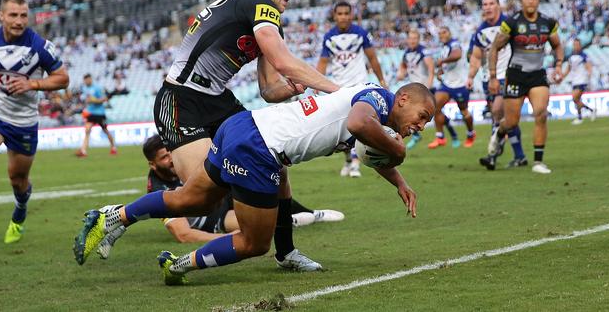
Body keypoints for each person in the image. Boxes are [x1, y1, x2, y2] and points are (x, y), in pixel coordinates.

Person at [105, 0, 340, 271]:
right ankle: (116, 216)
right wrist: (341, 93)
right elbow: (285, 62)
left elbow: (269, 90)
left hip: (217, 99)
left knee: (276, 166)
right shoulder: (259, 3)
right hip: (181, 99)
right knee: (200, 196)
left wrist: (291, 88)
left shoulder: (266, 15)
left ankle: (286, 253)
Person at [73, 82, 434, 286]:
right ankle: (179, 265)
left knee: (192, 200)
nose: (421, 126)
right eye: (422, 116)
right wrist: (398, 154)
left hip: (244, 127)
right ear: (402, 99)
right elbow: (358, 125)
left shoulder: (380, 118)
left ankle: (114, 216)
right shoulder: (375, 98)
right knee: (252, 243)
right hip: (259, 148)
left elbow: (369, 144)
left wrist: (397, 179)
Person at [96, 135, 344, 258]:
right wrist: (227, 239)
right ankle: (299, 219)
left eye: (170, 153)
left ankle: (311, 214)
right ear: (152, 164)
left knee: (270, 183)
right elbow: (183, 234)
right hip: (216, 220)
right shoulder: (157, 188)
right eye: (163, 158)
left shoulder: (184, 162)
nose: (171, 160)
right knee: (258, 228)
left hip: (220, 203)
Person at [0, 0, 69, 243]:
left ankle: (20, 211)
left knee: (18, 180)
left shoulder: (40, 47)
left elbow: (62, 78)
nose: (18, 20)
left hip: (24, 122)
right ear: (1, 16)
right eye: (13, 15)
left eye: (23, 15)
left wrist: (32, 83)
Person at [483, 0, 564, 174]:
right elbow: (494, 48)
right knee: (511, 121)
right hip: (516, 75)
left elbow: (557, 45)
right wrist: (493, 77)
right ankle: (499, 132)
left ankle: (538, 162)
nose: (531, 1)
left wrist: (559, 64)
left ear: (538, 1)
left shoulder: (548, 22)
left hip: (537, 74)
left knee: (541, 114)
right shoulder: (512, 23)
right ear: (522, 1)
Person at [316, 1, 388, 177]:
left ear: (351, 15)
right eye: (339, 13)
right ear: (334, 15)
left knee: (357, 126)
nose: (343, 17)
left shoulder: (361, 33)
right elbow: (323, 63)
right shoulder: (329, 37)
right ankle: (349, 160)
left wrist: (382, 80)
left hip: (359, 86)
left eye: (346, 13)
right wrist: (316, 85)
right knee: (342, 129)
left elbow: (372, 58)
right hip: (338, 88)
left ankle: (355, 162)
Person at [467, 0, 527, 169]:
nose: (487, 7)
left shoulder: (510, 24)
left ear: (498, 5)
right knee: (506, 118)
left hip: (508, 76)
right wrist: (470, 76)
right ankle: (520, 156)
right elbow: (476, 57)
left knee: (497, 112)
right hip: (488, 79)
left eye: (491, 3)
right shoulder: (480, 31)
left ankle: (492, 155)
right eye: (484, 4)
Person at [428, 26, 476, 149]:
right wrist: (440, 72)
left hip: (460, 85)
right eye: (439, 33)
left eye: (444, 32)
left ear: (449, 33)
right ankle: (440, 137)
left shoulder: (454, 44)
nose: (441, 35)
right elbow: (445, 66)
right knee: (435, 107)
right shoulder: (444, 48)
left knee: (464, 111)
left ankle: (471, 133)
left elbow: (457, 55)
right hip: (446, 85)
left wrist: (442, 61)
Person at [75, 74, 117, 157]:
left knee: (106, 131)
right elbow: (86, 99)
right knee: (87, 130)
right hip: (90, 113)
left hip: (99, 113)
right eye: (85, 80)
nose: (86, 82)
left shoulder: (97, 88)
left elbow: (104, 99)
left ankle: (113, 147)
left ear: (90, 79)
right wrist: (88, 101)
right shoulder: (84, 88)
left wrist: (95, 100)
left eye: (87, 80)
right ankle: (83, 151)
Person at [563, 39, 596, 125]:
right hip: (574, 80)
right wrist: (562, 77)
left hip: (582, 80)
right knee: (577, 99)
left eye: (577, 44)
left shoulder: (583, 55)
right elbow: (568, 69)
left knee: (575, 98)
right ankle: (587, 113)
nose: (576, 46)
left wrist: (589, 76)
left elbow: (588, 66)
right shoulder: (571, 56)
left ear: (580, 45)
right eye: (574, 45)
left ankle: (583, 115)